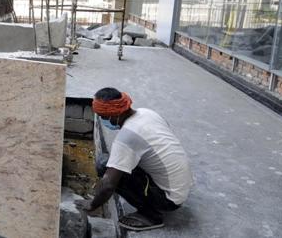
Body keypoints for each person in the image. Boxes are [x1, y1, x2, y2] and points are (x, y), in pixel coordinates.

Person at [75, 87, 193, 232]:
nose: (101, 120)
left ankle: (151, 215)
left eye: (103, 116)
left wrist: (93, 204)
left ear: (114, 115)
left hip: (169, 200)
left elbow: (107, 186)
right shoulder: (147, 113)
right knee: (118, 161)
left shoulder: (127, 137)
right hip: (181, 186)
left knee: (104, 165)